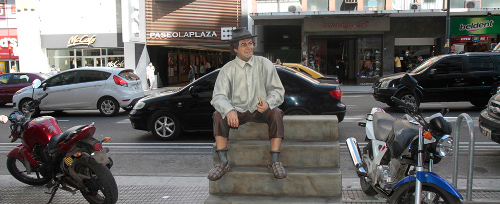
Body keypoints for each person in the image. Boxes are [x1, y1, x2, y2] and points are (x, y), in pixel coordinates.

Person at [208, 28, 286, 181]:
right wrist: (229, 109)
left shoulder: (265, 64)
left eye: (250, 43)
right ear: (235, 48)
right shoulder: (227, 69)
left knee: (276, 113)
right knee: (218, 115)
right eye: (243, 44)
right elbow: (218, 96)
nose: (249, 47)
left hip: (260, 110)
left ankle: (275, 161)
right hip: (237, 113)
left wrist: (268, 103)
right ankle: (223, 162)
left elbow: (278, 91)